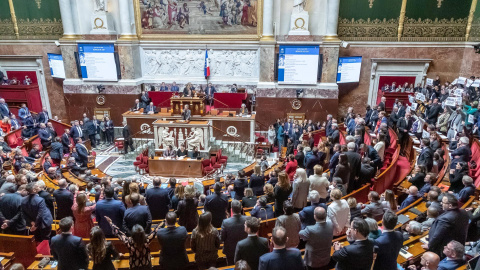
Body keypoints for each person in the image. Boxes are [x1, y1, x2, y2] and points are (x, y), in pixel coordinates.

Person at [221, 200, 248, 265]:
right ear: (241, 208)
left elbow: (222, 238)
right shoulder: (247, 219)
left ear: (231, 209)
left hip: (231, 250)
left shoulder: (226, 222)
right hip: (245, 249)